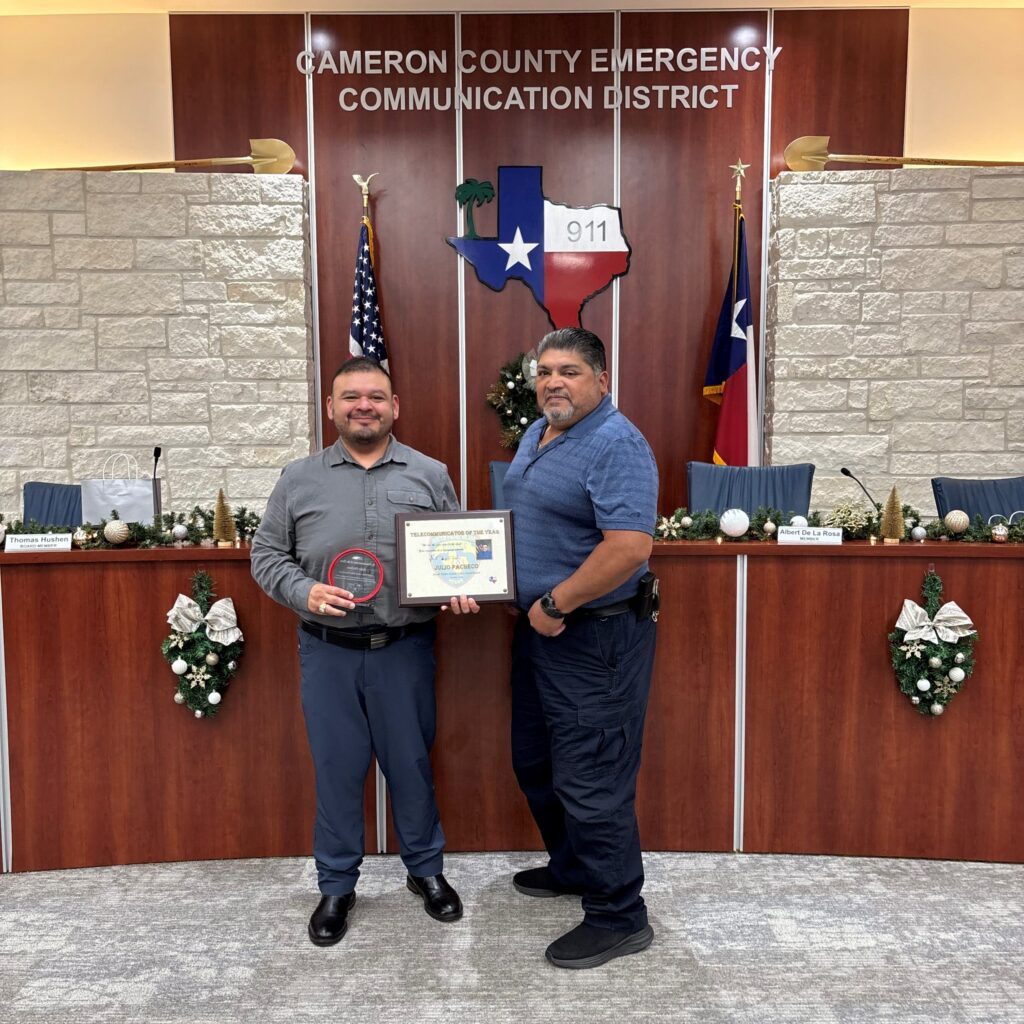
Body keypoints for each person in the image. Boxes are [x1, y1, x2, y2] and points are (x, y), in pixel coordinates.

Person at [251, 356, 478, 948]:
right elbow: (266, 555)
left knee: (412, 765)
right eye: (351, 396)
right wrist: (302, 590)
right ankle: (336, 885)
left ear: (394, 406)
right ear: (331, 407)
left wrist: (461, 586)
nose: (363, 406)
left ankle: (425, 871)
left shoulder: (429, 474)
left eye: (375, 396)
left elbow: (456, 550)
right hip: (328, 652)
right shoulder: (298, 479)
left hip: (404, 650)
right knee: (337, 770)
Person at [499, 327, 659, 968]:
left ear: (602, 380)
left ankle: (619, 915)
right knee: (535, 762)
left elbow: (630, 547)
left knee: (592, 778)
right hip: (541, 631)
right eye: (544, 372)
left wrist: (555, 604)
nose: (553, 382)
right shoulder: (540, 433)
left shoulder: (617, 443)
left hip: (594, 637)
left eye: (569, 371)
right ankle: (573, 867)